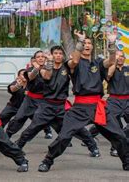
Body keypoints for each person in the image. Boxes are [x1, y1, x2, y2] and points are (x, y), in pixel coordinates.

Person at [38, 30, 129, 172]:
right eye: (84, 43)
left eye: (89, 43)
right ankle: (47, 160)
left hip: (98, 107)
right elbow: (74, 60)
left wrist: (112, 43)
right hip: (80, 107)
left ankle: (126, 161)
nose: (87, 45)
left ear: (92, 47)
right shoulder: (73, 64)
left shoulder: (97, 63)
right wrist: (79, 41)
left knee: (119, 136)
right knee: (64, 136)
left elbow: (111, 60)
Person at [14, 46, 100, 157]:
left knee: (78, 128)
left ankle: (93, 148)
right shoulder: (44, 68)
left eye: (60, 53)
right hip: (46, 106)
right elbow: (47, 76)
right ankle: (18, 147)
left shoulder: (67, 67)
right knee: (32, 128)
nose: (58, 55)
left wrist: (78, 46)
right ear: (51, 55)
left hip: (61, 106)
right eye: (55, 53)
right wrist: (49, 61)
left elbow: (74, 62)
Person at [5, 51, 53, 140]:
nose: (41, 58)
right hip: (30, 100)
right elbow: (31, 76)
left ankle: (62, 138)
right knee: (18, 118)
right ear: (34, 59)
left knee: (44, 121)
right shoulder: (29, 70)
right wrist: (36, 68)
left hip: (44, 101)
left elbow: (48, 77)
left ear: (46, 58)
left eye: (43, 56)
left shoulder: (49, 70)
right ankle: (7, 136)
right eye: (38, 57)